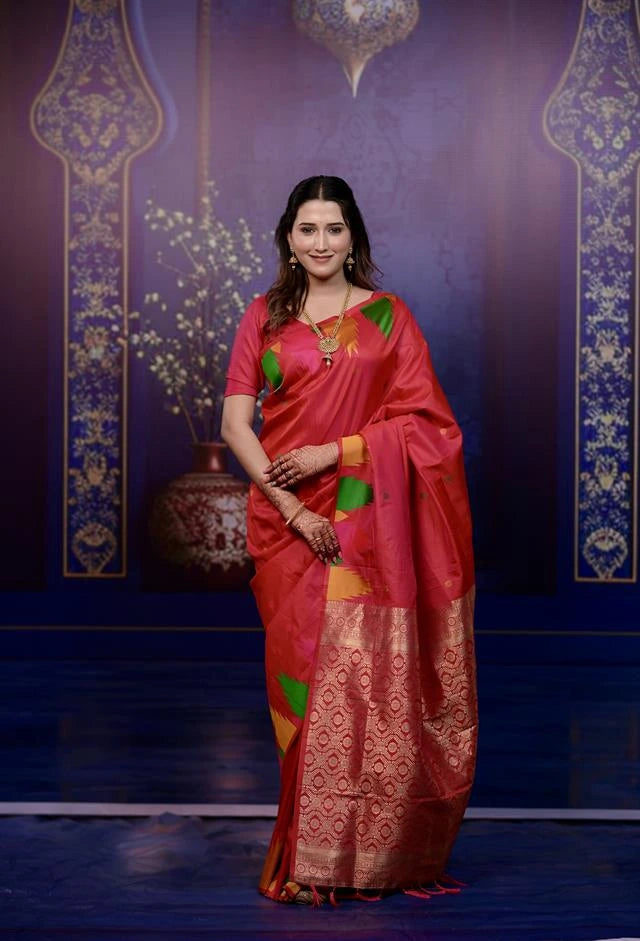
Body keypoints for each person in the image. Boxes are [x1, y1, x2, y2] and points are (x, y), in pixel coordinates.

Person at [221, 175, 477, 906]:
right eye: (307, 228)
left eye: (334, 228)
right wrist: (295, 512)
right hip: (287, 524)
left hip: (368, 522)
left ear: (353, 237)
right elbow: (237, 425)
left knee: (367, 689)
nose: (321, 241)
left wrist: (337, 453)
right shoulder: (263, 318)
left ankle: (361, 860)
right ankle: (305, 854)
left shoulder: (391, 317)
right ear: (288, 238)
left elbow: (430, 429)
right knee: (302, 689)